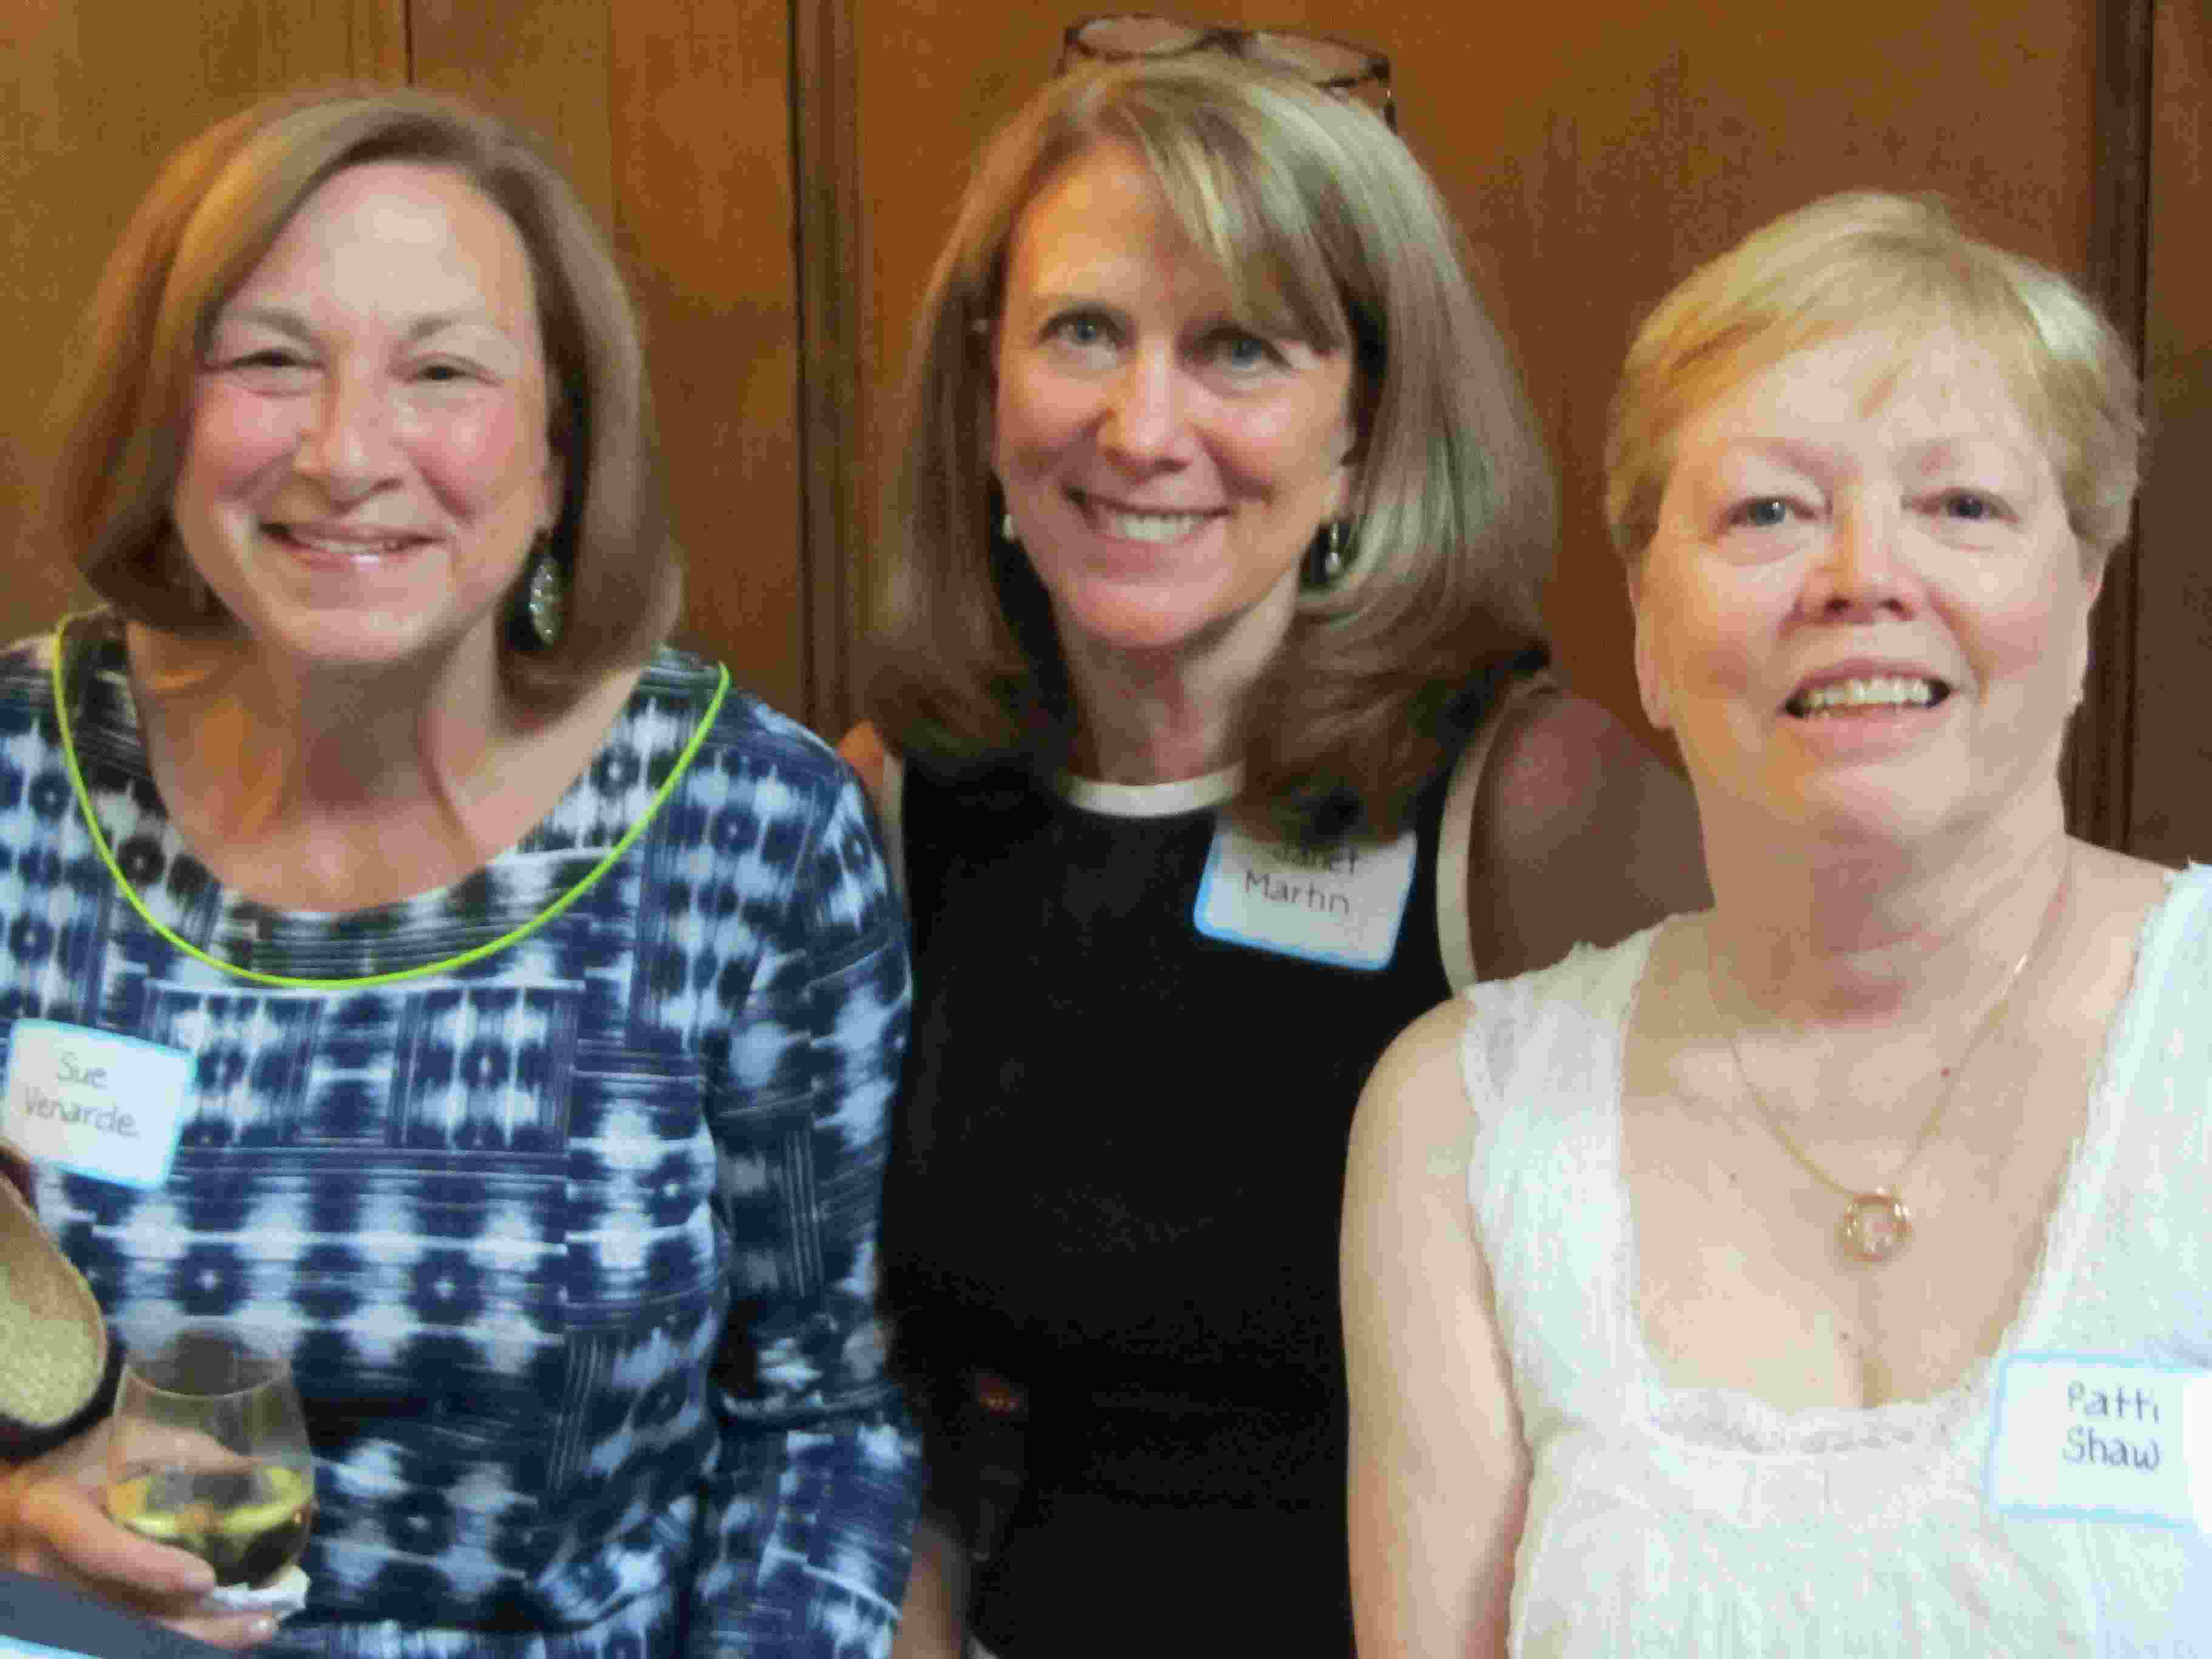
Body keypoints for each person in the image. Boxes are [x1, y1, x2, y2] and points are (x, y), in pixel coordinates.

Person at [0, 87, 917, 1655]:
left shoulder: (749, 832)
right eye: (270, 360)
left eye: (442, 372)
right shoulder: (16, 779)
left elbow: (826, 1422)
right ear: (169, 416)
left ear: (560, 452)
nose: (348, 452)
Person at [838, 32, 1705, 1659]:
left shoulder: (1539, 812)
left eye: (1239, 350)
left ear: (1367, 427)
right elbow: (874, 1400)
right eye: (1082, 332)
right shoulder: (895, 802)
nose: (1140, 425)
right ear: (983, 384)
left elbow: (1707, 1414)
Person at [1341, 189, 2198, 1653]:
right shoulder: (1465, 1123)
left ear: (2085, 601)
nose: (1863, 576)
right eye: (1768, 511)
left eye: (1962, 507)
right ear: (1648, 634)